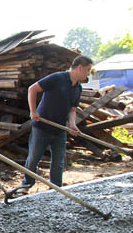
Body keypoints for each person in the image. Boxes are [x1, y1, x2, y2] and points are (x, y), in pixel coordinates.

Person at [19, 55, 93, 191]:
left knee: (58, 161)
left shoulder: (78, 88)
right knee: (34, 158)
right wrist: (33, 111)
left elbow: (72, 109)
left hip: (60, 128)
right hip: (42, 126)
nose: (89, 73)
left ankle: (55, 188)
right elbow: (32, 89)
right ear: (80, 68)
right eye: (88, 70)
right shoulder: (57, 78)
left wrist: (72, 124)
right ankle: (27, 184)